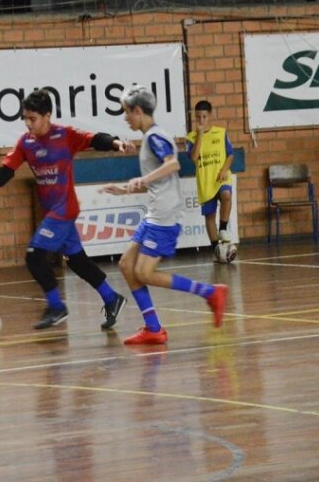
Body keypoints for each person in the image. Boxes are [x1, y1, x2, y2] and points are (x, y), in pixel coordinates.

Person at [0, 89, 133, 331]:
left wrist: (116, 142)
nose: (28, 123)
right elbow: (8, 168)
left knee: (34, 257)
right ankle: (111, 298)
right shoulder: (26, 142)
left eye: (32, 118)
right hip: (52, 211)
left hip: (64, 209)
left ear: (47, 116)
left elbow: (94, 139)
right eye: (25, 118)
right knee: (77, 261)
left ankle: (56, 306)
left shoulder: (64, 135)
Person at [101, 85, 227, 345]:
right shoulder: (150, 137)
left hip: (165, 216)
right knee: (126, 265)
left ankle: (210, 292)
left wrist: (142, 178)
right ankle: (153, 328)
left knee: (145, 273)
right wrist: (126, 189)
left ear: (138, 110)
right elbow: (160, 179)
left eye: (127, 113)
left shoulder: (154, 138)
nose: (126, 118)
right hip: (154, 214)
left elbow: (174, 164)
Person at [185, 100, 235, 254]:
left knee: (226, 195)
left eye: (204, 117)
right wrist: (200, 135)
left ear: (210, 116)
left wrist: (224, 170)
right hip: (205, 181)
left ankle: (223, 229)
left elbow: (230, 155)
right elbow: (194, 157)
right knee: (209, 216)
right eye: (198, 117)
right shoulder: (190, 138)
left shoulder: (221, 133)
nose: (201, 120)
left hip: (221, 177)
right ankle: (216, 250)